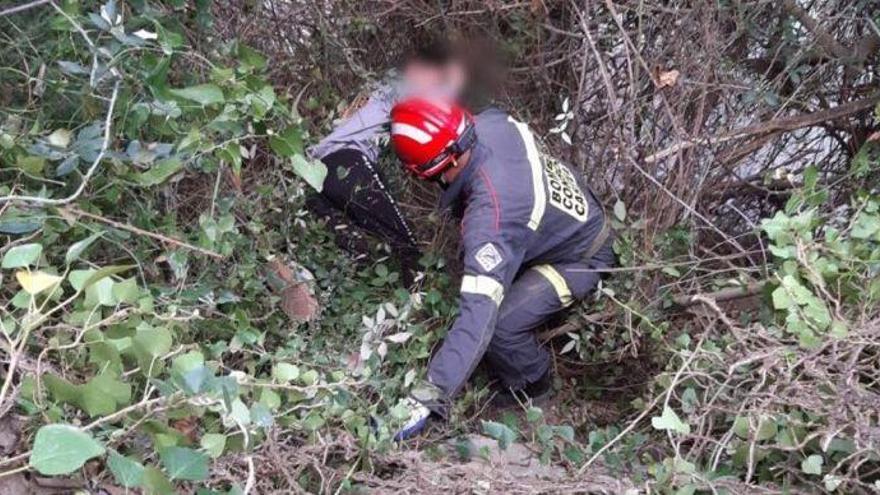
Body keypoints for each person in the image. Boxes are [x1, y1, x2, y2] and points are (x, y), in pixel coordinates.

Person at [387, 98, 615, 440]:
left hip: (582, 258)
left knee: (501, 326)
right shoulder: (491, 122)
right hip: (572, 216)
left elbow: (478, 317)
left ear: (433, 168)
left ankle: (534, 386)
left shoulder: (491, 219)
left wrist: (427, 397)